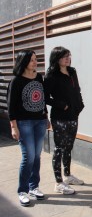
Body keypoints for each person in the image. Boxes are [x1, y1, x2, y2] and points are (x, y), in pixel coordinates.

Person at [7, 50, 49, 206]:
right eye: (31, 60)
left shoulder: (39, 77)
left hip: (39, 122)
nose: (35, 62)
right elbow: (11, 106)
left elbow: (42, 98)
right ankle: (22, 190)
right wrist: (13, 126)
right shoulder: (16, 81)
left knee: (37, 156)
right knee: (28, 156)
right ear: (23, 62)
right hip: (24, 123)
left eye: (35, 59)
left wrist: (46, 116)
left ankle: (34, 186)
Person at [44, 46, 84, 195]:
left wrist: (79, 105)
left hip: (73, 115)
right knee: (59, 148)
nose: (68, 58)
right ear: (57, 58)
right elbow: (45, 97)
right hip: (59, 117)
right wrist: (63, 105)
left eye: (69, 55)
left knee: (69, 147)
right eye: (64, 56)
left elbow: (77, 90)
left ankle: (67, 176)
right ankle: (58, 183)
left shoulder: (72, 72)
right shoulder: (51, 76)